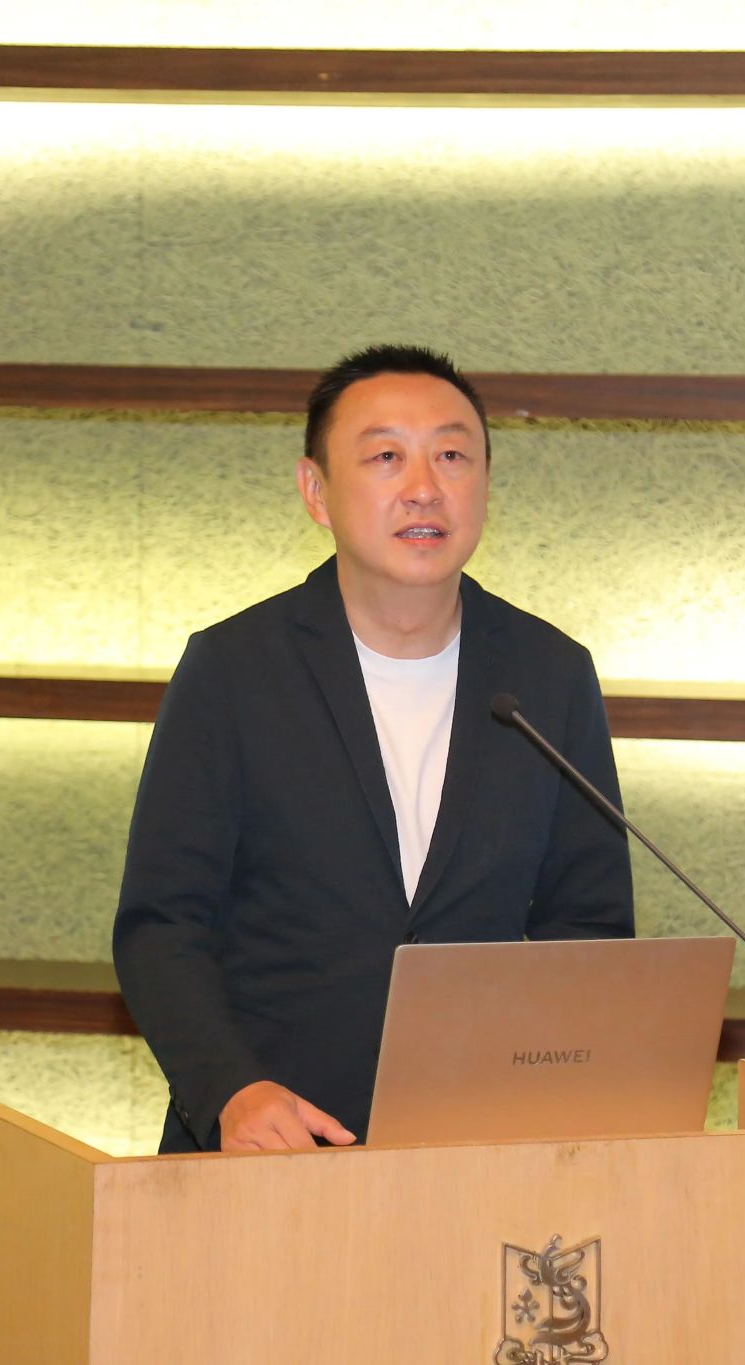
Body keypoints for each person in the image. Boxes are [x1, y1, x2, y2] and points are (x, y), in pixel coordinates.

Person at [114, 344, 635, 1153]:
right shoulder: (234, 670)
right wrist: (230, 1090)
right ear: (315, 491)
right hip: (271, 1149)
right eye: (386, 456)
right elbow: (162, 927)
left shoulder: (550, 675)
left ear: (486, 483)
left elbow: (590, 927)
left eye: (453, 456)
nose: (424, 486)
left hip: (480, 1150)